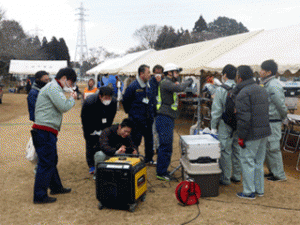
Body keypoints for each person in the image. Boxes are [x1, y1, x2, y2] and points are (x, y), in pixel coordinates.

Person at [31, 67, 77, 204]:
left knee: (51, 160)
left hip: (46, 130)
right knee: (46, 163)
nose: (71, 85)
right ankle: (40, 196)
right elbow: (63, 106)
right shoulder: (53, 87)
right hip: (44, 131)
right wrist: (72, 99)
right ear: (63, 78)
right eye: (70, 82)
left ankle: (56, 187)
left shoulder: (54, 87)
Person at [234, 65, 271, 200]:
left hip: (251, 133)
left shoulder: (243, 93)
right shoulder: (261, 89)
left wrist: (241, 137)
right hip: (264, 131)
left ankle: (249, 191)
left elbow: (244, 119)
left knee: (247, 161)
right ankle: (259, 189)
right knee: (258, 162)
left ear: (240, 77)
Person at [155, 63, 193, 181]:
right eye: (176, 72)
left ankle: (162, 170)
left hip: (167, 117)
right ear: (169, 73)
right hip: (164, 117)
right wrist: (189, 80)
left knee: (167, 145)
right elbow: (180, 88)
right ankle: (161, 172)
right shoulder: (166, 82)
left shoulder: (169, 83)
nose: (177, 74)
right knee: (165, 145)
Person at [210, 64, 241, 186]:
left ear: (225, 75)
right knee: (237, 149)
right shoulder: (240, 88)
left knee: (225, 151)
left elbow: (216, 110)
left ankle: (225, 177)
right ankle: (237, 175)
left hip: (225, 123)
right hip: (238, 123)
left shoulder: (221, 89)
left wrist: (213, 126)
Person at [122, 64, 159, 165]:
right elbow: (125, 101)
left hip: (148, 119)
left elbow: (151, 100)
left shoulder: (148, 85)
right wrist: (132, 114)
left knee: (149, 141)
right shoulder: (133, 86)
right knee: (135, 140)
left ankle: (149, 159)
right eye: (148, 72)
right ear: (141, 74)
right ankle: (134, 159)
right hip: (136, 121)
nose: (150, 75)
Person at [260, 60, 287, 182]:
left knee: (273, 148)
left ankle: (279, 175)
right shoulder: (268, 84)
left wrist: (284, 115)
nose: (260, 72)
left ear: (269, 72)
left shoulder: (273, 85)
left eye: (262, 70)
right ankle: (273, 172)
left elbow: (280, 104)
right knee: (269, 148)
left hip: (273, 120)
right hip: (269, 120)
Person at [81, 86, 117, 175]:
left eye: (109, 97)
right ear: (100, 96)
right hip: (90, 125)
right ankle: (91, 165)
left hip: (104, 124)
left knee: (103, 143)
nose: (108, 100)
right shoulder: (89, 102)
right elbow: (84, 118)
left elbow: (112, 115)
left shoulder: (113, 102)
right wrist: (90, 131)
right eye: (106, 98)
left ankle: (102, 162)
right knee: (90, 145)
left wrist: (106, 129)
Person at [152, 65, 164, 154]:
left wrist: (160, 83)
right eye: (156, 72)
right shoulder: (150, 82)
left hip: (162, 112)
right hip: (152, 111)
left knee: (160, 131)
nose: (158, 74)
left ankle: (159, 147)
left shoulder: (164, 82)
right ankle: (153, 148)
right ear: (153, 73)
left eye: (160, 72)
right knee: (153, 131)